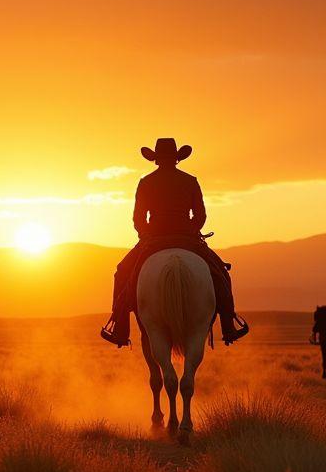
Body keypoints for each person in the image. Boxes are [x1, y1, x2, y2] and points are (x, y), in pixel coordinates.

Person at [101, 137, 249, 347]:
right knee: (221, 273)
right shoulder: (190, 181)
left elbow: (138, 219)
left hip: (153, 239)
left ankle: (120, 328)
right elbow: (200, 216)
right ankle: (229, 325)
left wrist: (147, 235)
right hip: (188, 238)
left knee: (122, 272)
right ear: (177, 158)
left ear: (156, 159)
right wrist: (190, 230)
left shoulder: (146, 182)